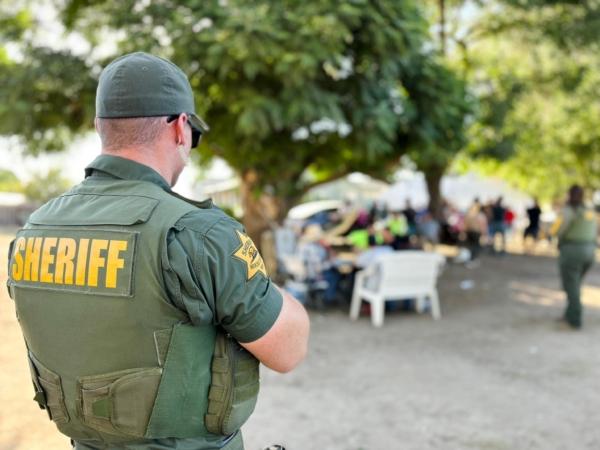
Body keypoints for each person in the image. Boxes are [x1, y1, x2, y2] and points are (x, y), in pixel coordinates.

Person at [6, 52, 309, 450]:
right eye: (194, 137)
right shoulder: (200, 234)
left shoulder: (34, 231)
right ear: (181, 128)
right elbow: (288, 349)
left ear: (100, 127)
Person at [550, 185, 597, 329]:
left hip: (572, 251)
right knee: (575, 285)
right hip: (590, 251)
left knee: (571, 286)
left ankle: (574, 318)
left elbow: (555, 230)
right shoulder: (589, 211)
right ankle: (570, 313)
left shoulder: (567, 211)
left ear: (569, 195)